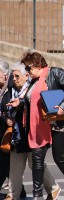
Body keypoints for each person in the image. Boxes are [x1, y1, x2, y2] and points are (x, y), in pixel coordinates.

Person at [8, 51, 64, 200]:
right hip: (38, 126)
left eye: (28, 69)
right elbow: (32, 101)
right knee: (37, 160)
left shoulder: (55, 73)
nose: (27, 72)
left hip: (57, 122)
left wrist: (63, 106)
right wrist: (20, 102)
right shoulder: (33, 81)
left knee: (59, 157)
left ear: (36, 65)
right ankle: (37, 195)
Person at [4, 62, 61, 200]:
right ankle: (12, 194)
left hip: (31, 132)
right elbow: (5, 106)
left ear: (26, 76)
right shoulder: (11, 88)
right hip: (17, 134)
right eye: (13, 76)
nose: (14, 79)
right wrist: (8, 117)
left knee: (34, 164)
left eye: (17, 76)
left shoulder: (32, 88)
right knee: (15, 165)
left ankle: (53, 188)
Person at [0, 60, 12, 195]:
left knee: (5, 161)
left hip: (7, 130)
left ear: (5, 75)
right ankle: (19, 191)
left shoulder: (11, 88)